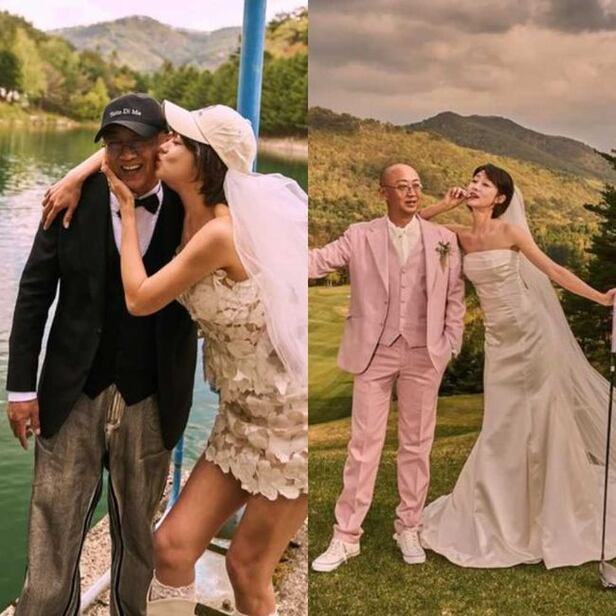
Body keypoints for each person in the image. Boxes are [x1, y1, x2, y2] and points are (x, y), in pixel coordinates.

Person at [45, 100, 308, 616]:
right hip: (239, 417)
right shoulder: (184, 209)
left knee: (246, 569)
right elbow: (122, 150)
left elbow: (140, 298)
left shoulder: (220, 232)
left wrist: (126, 213)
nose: (163, 143)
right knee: (171, 547)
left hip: (287, 423)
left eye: (178, 141)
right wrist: (78, 173)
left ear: (204, 159)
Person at [6, 93, 198, 615]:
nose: (126, 154)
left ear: (165, 143)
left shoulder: (192, 203)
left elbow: (219, 134)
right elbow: (34, 292)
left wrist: (83, 166)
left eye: (138, 142)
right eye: (113, 143)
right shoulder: (69, 199)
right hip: (72, 392)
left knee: (139, 535)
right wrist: (20, 389)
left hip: (153, 395)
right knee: (53, 527)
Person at [418, 163, 616, 568]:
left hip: (530, 333)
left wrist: (599, 298)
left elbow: (553, 270)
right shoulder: (459, 235)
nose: (475, 186)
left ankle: (550, 507)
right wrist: (443, 204)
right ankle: (502, 506)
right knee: (501, 421)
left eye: (485, 183)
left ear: (501, 198)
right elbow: (413, 225)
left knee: (539, 418)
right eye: (473, 180)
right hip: (498, 341)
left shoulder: (510, 232)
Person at [309, 163, 465, 572]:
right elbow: (317, 262)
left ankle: (408, 526)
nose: (412, 193)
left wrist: (449, 344)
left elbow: (455, 296)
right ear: (383, 193)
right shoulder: (360, 235)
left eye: (416, 186)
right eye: (402, 187)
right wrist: (259, 249)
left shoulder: (443, 239)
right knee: (363, 445)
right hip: (373, 353)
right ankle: (346, 536)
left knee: (417, 444)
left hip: (424, 354)